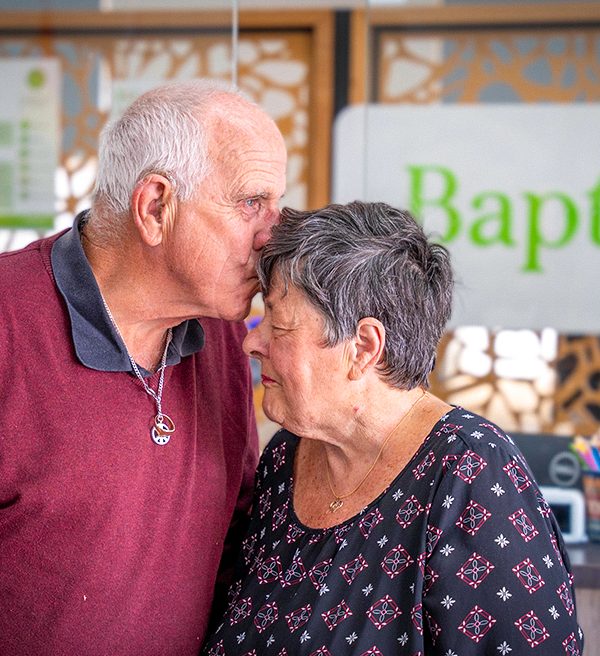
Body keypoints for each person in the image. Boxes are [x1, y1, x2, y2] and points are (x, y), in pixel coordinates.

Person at [203, 201, 583, 655]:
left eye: (279, 326)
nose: (251, 341)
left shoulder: (472, 475)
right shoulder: (286, 457)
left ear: (363, 347)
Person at [0, 80, 287, 655]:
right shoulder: (8, 319)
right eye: (251, 203)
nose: (272, 238)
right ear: (156, 207)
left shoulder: (224, 333)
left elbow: (235, 528)